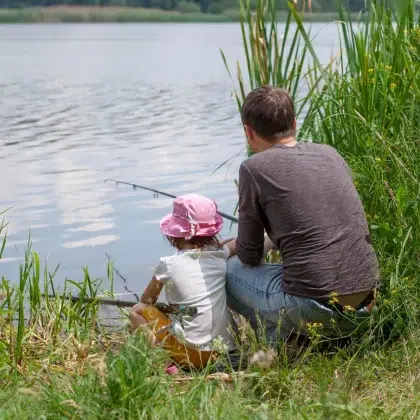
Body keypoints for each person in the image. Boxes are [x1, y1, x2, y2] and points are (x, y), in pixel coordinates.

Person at [225, 85, 380, 343]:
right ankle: (304, 341)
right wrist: (275, 237)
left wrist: (233, 246)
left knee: (228, 271)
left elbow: (249, 256)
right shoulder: (331, 154)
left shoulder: (253, 168)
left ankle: (280, 342)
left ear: (249, 132)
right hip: (366, 303)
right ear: (294, 124)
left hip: (315, 309)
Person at [129, 194, 237, 370]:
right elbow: (237, 243)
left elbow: (147, 301)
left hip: (191, 357)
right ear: (213, 232)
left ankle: (164, 362)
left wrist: (162, 308)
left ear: (174, 235)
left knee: (136, 311)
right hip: (223, 351)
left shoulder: (168, 264)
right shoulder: (220, 254)